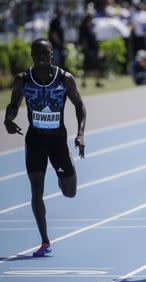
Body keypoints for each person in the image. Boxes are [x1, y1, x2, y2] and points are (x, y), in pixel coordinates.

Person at [3, 38, 86, 257]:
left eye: (45, 53)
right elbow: (13, 106)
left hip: (58, 141)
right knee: (36, 190)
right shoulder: (23, 80)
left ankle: (63, 173)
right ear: (31, 55)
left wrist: (80, 134)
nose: (41, 57)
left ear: (52, 55)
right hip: (36, 141)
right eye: (36, 53)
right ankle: (44, 241)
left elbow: (79, 106)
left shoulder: (64, 79)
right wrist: (8, 120)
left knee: (69, 192)